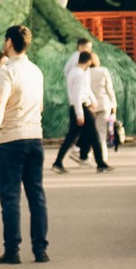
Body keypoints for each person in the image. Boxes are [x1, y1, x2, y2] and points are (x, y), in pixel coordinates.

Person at [0, 23, 48, 267]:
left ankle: (12, 249)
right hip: (35, 135)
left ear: (9, 43)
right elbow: (41, 105)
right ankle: (40, 249)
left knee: (10, 197)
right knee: (36, 195)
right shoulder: (36, 71)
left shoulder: (6, 71)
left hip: (11, 137)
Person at [54, 42, 110, 177]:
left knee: (71, 137)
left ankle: (58, 162)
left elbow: (85, 90)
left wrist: (93, 100)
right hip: (81, 107)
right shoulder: (79, 74)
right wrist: (80, 113)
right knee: (94, 136)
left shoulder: (77, 72)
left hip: (80, 107)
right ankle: (101, 163)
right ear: (88, 61)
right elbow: (77, 95)